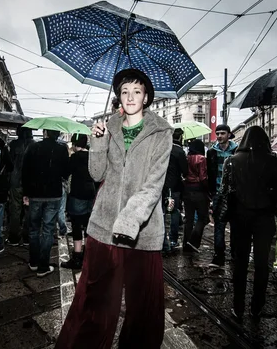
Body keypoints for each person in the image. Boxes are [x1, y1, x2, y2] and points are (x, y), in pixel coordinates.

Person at [56, 68, 173, 348]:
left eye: (136, 91)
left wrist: (129, 221)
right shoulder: (110, 127)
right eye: (124, 91)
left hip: (141, 233)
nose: (130, 96)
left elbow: (153, 185)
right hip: (104, 228)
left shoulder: (161, 133)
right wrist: (97, 142)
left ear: (146, 97)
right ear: (118, 97)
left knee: (143, 309)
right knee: (95, 302)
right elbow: (97, 175)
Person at [218, 126, 277, 322]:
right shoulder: (274, 162)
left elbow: (225, 190)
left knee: (240, 262)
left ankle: (238, 306)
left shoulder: (231, 161)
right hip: (264, 218)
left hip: (240, 217)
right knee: (262, 263)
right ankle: (257, 305)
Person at [22, 129, 70, 277]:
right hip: (53, 194)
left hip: (35, 194)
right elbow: (66, 173)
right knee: (48, 229)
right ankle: (43, 266)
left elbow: (25, 171)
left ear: (45, 132)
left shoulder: (33, 147)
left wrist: (26, 192)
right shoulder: (61, 149)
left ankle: (34, 262)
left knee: (34, 228)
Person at [61, 133, 95, 270]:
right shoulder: (92, 156)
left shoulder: (75, 157)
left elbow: (66, 173)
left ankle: (77, 257)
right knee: (88, 225)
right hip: (91, 192)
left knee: (76, 226)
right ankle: (88, 255)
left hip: (78, 193)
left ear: (75, 144)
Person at [207, 124, 238, 267]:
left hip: (234, 193)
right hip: (218, 193)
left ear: (229, 134)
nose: (219, 136)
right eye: (217, 133)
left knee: (235, 225)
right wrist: (211, 193)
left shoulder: (236, 150)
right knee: (219, 225)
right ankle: (219, 256)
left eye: (222, 133)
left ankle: (234, 253)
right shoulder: (212, 152)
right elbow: (210, 173)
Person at [7, 126, 35, 246]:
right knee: (29, 210)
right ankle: (27, 237)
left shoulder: (13, 144)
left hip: (15, 180)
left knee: (15, 209)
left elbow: (9, 163)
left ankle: (14, 237)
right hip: (30, 181)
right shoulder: (34, 145)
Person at [161, 128, 188, 252]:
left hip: (160, 185)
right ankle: (173, 240)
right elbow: (185, 171)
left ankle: (162, 242)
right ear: (180, 137)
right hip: (174, 187)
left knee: (161, 213)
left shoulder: (162, 148)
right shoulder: (179, 151)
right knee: (174, 212)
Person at [182, 139, 210, 252]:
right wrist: (207, 189)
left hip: (187, 189)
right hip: (199, 190)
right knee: (202, 217)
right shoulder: (202, 158)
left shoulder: (186, 158)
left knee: (189, 218)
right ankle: (193, 241)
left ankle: (185, 244)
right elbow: (203, 177)